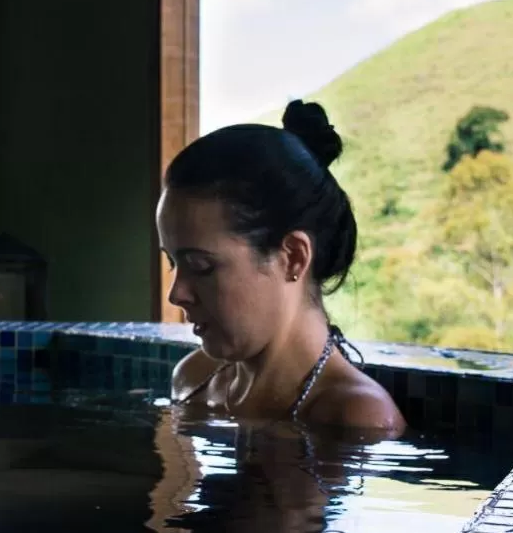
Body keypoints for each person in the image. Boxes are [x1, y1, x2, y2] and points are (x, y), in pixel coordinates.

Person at [156, 98, 406, 436]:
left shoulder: (355, 418)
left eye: (201, 266)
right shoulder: (192, 382)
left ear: (293, 257)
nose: (176, 294)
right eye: (173, 263)